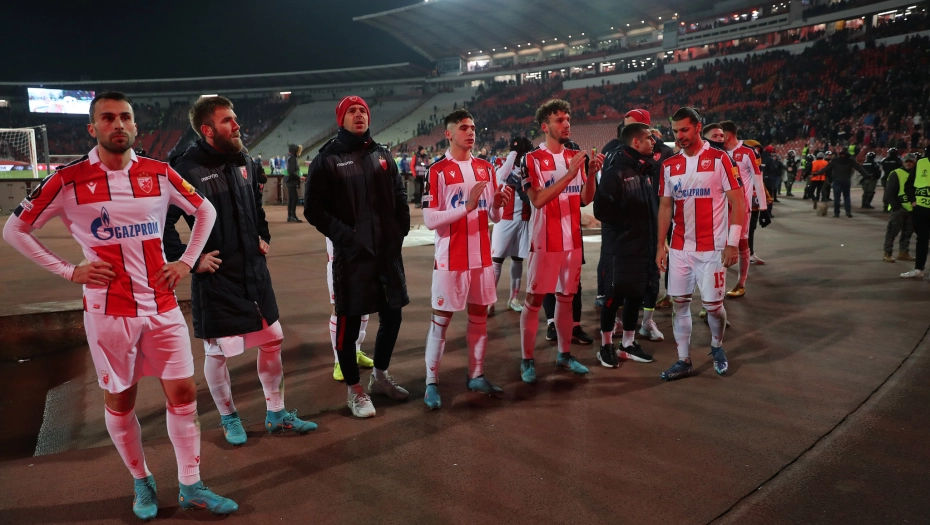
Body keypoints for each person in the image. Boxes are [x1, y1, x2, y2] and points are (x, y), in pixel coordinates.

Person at [2, 91, 236, 518]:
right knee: (121, 400)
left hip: (162, 305)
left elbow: (205, 210)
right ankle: (141, 480)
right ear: (92, 128)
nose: (118, 125)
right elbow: (15, 230)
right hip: (109, 313)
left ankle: (191, 485)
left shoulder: (159, 172)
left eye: (125, 117)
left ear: (135, 125)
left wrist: (186, 261)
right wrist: (68, 271)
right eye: (107, 118)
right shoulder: (67, 180)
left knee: (183, 393)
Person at [165, 95, 317, 446]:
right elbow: (163, 223)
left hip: (254, 272)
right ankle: (229, 417)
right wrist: (191, 260)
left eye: (235, 118)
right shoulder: (186, 169)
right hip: (217, 277)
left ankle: (276, 413)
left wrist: (263, 236)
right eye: (227, 121)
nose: (237, 125)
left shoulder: (244, 160)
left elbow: (255, 205)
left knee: (273, 339)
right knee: (218, 352)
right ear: (207, 130)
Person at [305, 96, 411, 418]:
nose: (358, 114)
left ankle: (380, 377)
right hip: (353, 255)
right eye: (351, 111)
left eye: (362, 110)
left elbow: (399, 194)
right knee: (348, 324)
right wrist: (347, 237)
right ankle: (355, 390)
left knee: (393, 316)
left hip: (387, 252)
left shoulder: (382, 154)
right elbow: (313, 209)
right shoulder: (327, 159)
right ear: (341, 119)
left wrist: (400, 230)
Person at [421, 109, 512, 409]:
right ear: (448, 134)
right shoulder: (436, 171)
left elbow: (495, 217)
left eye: (472, 127)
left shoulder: (487, 168)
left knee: (479, 319)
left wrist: (497, 205)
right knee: (441, 322)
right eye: (463, 127)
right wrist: (468, 206)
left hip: (482, 258)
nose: (470, 132)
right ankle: (431, 382)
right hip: (451, 258)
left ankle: (476, 375)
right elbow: (430, 219)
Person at [655, 107, 745, 381]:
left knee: (713, 307)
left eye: (684, 129)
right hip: (680, 248)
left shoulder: (720, 159)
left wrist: (732, 243)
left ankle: (717, 345)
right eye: (675, 131)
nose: (679, 136)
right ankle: (684, 359)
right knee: (679, 304)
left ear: (697, 127)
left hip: (713, 249)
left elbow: (738, 202)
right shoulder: (669, 165)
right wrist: (660, 246)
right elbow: (665, 207)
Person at [518, 99, 604, 383]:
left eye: (568, 119)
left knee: (566, 299)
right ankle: (527, 359)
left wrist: (591, 175)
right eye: (559, 120)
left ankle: (564, 355)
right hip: (545, 242)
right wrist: (569, 175)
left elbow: (585, 199)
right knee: (534, 301)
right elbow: (538, 199)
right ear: (545, 127)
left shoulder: (575, 156)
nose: (566, 124)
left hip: (572, 242)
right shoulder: (531, 159)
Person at [593, 122, 659, 368]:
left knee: (635, 295)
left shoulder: (643, 171)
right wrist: (629, 224)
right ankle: (605, 346)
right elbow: (601, 210)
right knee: (614, 298)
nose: (653, 142)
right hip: (620, 250)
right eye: (649, 138)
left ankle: (627, 344)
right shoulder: (615, 172)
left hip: (641, 246)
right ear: (636, 142)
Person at [720, 122, 769, 297]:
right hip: (719, 209)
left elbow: (758, 181)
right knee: (720, 246)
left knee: (741, 244)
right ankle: (717, 289)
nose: (718, 138)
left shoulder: (749, 152)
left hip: (740, 208)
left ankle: (741, 284)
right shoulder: (718, 153)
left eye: (721, 135)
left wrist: (764, 209)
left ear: (727, 135)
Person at [489, 136, 533, 315]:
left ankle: (513, 299)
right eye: (518, 152)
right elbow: (501, 176)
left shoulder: (530, 165)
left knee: (518, 258)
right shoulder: (502, 163)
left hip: (524, 218)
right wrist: (513, 154)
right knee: (497, 259)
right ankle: (490, 301)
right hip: (505, 218)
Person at [810, 148, 869, 218]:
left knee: (837, 198)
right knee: (847, 197)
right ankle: (848, 212)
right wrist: (867, 175)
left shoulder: (835, 160)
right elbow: (859, 168)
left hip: (837, 181)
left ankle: (836, 213)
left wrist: (815, 174)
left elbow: (826, 168)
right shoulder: (851, 160)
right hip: (846, 181)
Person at [900, 152, 930, 278]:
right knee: (922, 239)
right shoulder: (921, 162)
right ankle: (918, 269)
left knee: (922, 239)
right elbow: (909, 184)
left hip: (921, 208)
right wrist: (913, 201)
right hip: (920, 208)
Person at [883, 154, 916, 263]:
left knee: (908, 232)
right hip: (899, 208)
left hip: (911, 208)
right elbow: (889, 192)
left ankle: (903, 252)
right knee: (892, 232)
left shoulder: (917, 174)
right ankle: (887, 253)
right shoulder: (896, 173)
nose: (908, 163)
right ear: (903, 162)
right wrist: (896, 206)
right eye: (906, 161)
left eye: (911, 161)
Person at [285, 143, 304, 222]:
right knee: (295, 198)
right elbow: (292, 171)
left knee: (291, 198)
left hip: (288, 180)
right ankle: (293, 216)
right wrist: (299, 177)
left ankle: (290, 216)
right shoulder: (292, 158)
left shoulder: (288, 157)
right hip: (291, 180)